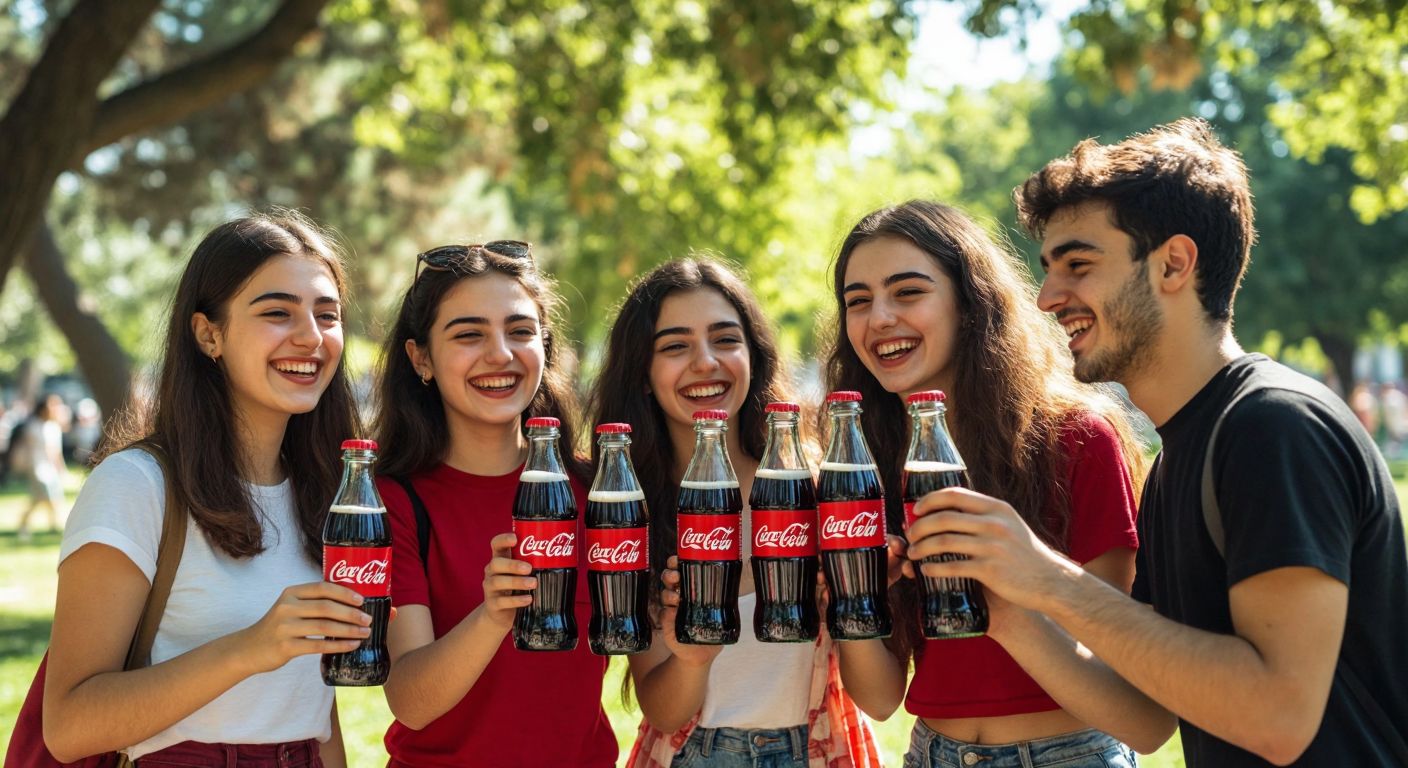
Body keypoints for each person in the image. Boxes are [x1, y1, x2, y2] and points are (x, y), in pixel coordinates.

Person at [917, 118, 1408, 766]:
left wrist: (1049, 577)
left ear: (1174, 263)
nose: (1045, 297)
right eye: (1048, 269)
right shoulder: (1180, 456)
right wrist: (1004, 604)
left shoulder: (1272, 428)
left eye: (1078, 265)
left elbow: (1280, 715)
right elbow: (1144, 719)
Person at [823, 200, 1174, 767]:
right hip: (931, 753)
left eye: (907, 292)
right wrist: (854, 594)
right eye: (857, 301)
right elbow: (881, 698)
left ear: (970, 302)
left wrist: (1005, 605)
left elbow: (1136, 713)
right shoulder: (866, 465)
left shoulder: (1077, 439)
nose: (879, 317)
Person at [44, 211, 365, 765]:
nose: (311, 337)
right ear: (208, 333)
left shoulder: (331, 492)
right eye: (276, 313)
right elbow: (69, 725)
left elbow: (313, 710)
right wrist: (249, 649)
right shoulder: (136, 486)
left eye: (327, 314)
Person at [590, 257, 880, 768]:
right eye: (676, 346)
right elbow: (662, 710)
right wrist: (691, 658)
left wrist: (854, 598)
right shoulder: (633, 514)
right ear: (642, 374)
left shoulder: (817, 495)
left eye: (725, 339)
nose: (705, 362)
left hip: (819, 748)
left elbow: (880, 700)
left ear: (755, 357)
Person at [372, 241, 617, 767]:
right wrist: (492, 615)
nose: (501, 354)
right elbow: (411, 702)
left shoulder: (597, 490)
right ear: (421, 359)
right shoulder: (391, 503)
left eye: (521, 331)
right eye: (468, 335)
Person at [16, 393, 69, 542]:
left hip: (50, 468)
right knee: (46, 496)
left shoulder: (53, 427)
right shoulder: (33, 426)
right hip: (37, 466)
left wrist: (61, 468)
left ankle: (51, 526)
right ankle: (30, 525)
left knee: (43, 498)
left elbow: (56, 452)